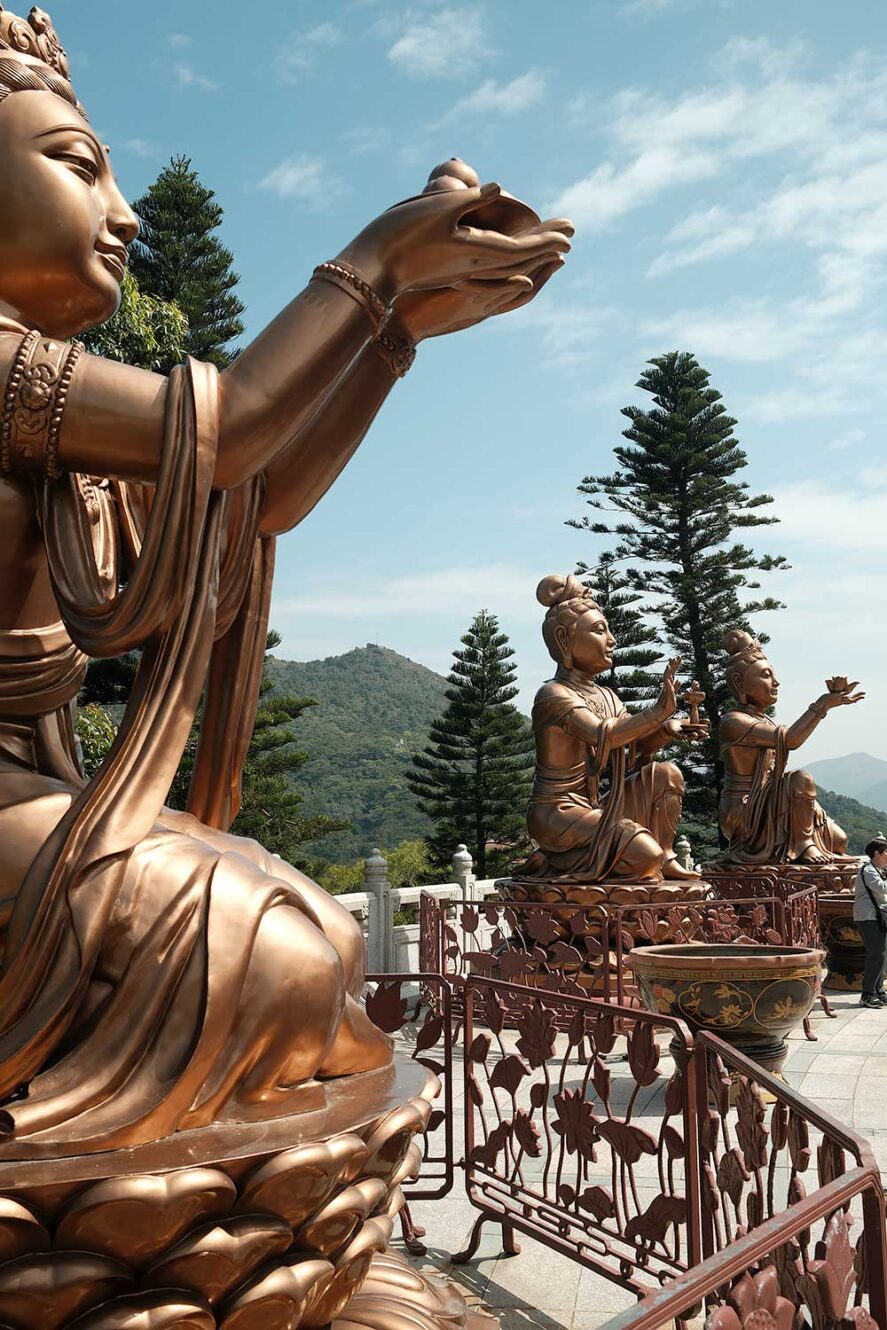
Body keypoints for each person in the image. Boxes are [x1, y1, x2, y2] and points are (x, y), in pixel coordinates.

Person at [0, 8, 573, 1151]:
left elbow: (249, 496)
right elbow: (222, 434)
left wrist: (394, 332)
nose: (122, 216)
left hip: (34, 795)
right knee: (280, 962)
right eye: (77, 166)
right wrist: (369, 268)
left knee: (319, 937)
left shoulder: (54, 410)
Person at [518, 574, 708, 884]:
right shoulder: (553, 695)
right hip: (558, 814)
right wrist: (658, 711)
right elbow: (601, 734)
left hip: (595, 807)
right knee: (645, 858)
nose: (612, 640)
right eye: (599, 630)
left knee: (666, 773)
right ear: (564, 639)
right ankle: (557, 859)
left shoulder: (606, 695)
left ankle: (666, 854)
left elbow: (638, 745)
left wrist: (668, 728)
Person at [718, 629, 863, 864]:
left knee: (839, 841)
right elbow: (791, 740)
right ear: (739, 682)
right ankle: (802, 844)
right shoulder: (733, 722)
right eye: (766, 676)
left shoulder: (764, 721)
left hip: (772, 802)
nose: (776, 683)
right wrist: (823, 704)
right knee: (801, 778)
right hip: (746, 811)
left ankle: (802, 841)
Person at [853, 838, 887, 1009]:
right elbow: (881, 888)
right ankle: (867, 994)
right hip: (868, 917)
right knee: (876, 954)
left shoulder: (877, 870)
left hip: (876, 917)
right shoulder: (868, 870)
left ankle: (878, 991)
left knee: (881, 955)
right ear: (876, 854)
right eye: (886, 852)